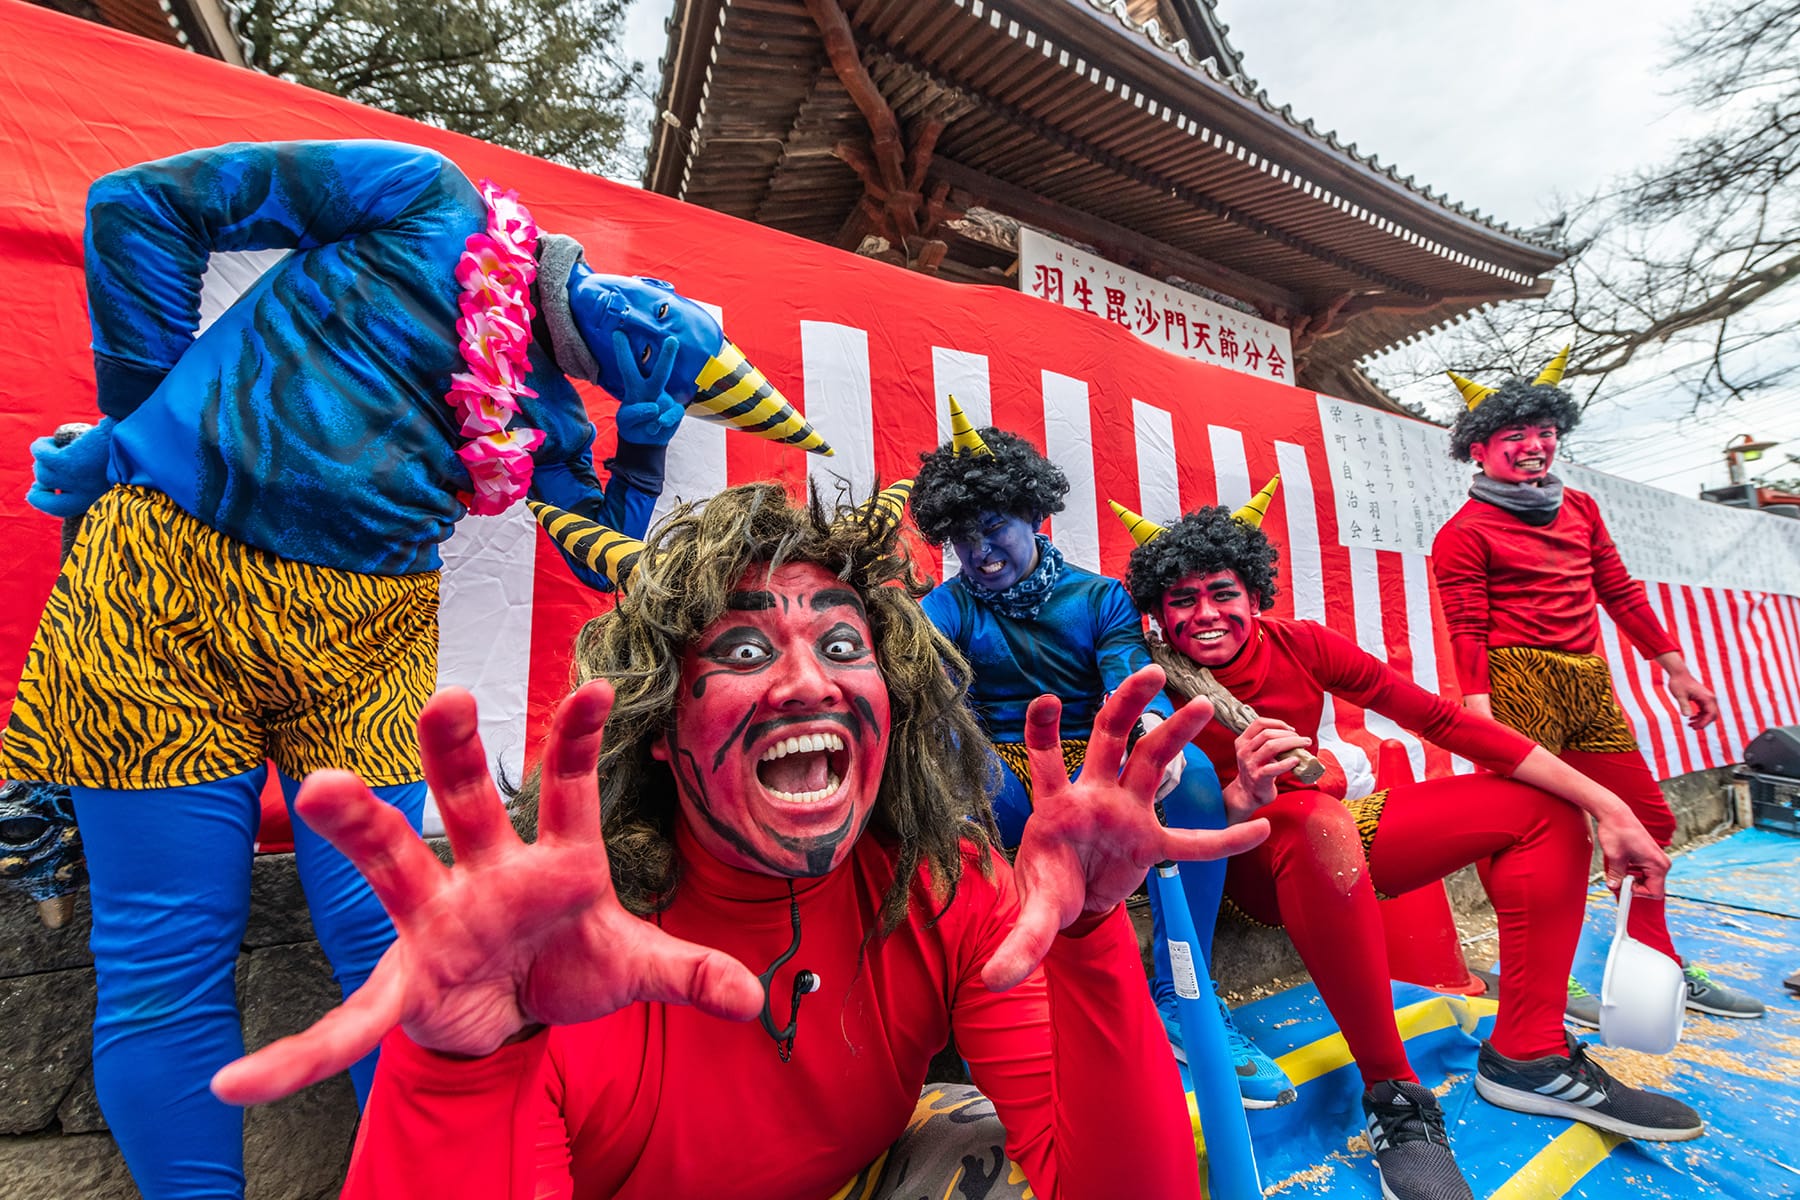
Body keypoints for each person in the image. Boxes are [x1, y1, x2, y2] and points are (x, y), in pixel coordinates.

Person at [2, 139, 824, 1200]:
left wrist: (649, 445)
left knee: (405, 940)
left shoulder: (554, 413)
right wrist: (145, 420)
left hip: (371, 636)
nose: (652, 339)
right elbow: (138, 204)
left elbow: (595, 545)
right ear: (637, 284)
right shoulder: (426, 200)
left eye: (667, 361)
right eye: (668, 316)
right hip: (167, 578)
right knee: (165, 956)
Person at [208, 482, 1272, 1199]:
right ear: (664, 730)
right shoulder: (561, 960)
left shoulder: (941, 885)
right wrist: (457, 1070)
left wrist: (1090, 938)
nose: (808, 680)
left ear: (891, 705)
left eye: (843, 645)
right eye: (749, 648)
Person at [1119, 496, 1705, 1200]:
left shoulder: (1301, 643)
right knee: (1315, 817)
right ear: (1158, 611)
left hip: (1317, 838)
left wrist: (1605, 803)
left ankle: (1531, 1052)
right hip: (1227, 861)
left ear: (1254, 593)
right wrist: (1240, 793)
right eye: (1182, 600)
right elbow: (1147, 811)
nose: (1206, 614)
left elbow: (1437, 719)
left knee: (1540, 808)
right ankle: (1394, 1097)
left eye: (1222, 593)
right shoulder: (1140, 673)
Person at [907, 400, 1295, 1108]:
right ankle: (1011, 999)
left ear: (1035, 516)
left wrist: (1149, 725)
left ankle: (1184, 993)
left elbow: (1127, 669)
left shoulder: (1100, 596)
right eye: (963, 538)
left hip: (1099, 751)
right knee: (975, 788)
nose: (980, 553)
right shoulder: (948, 605)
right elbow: (928, 687)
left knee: (1199, 776)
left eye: (993, 529)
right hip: (1001, 758)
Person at [1432, 350, 1763, 1023]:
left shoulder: (1580, 507)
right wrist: (1478, 710)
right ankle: (1542, 980)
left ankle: (1655, 960)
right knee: (1531, 840)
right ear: (1480, 449)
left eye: (1546, 432)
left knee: (1649, 820)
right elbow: (1464, 627)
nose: (1535, 446)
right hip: (1514, 681)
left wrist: (1675, 667)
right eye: (1516, 436)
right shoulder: (1462, 534)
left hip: (1587, 681)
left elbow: (1617, 589)